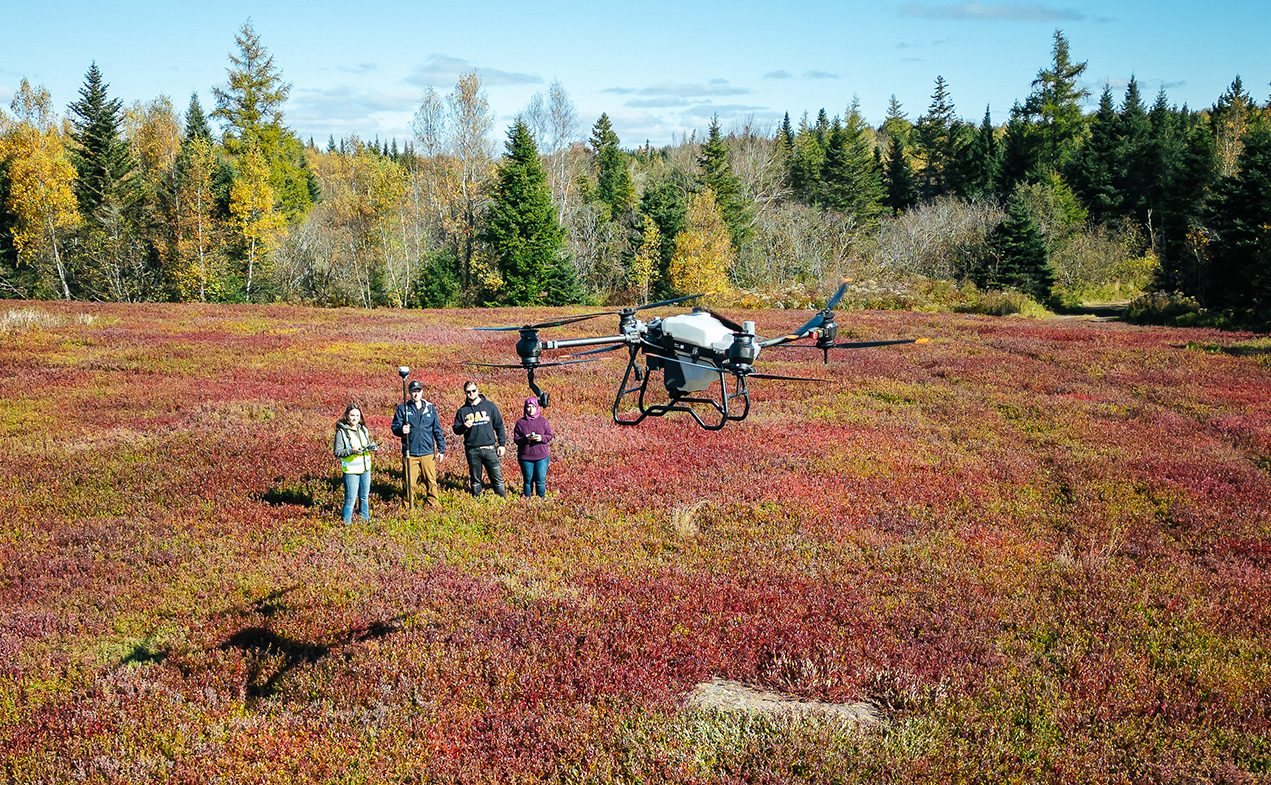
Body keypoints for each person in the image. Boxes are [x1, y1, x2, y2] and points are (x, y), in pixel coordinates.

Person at [391, 380, 446, 510]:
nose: (416, 394)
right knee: (409, 483)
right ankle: (408, 506)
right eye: (413, 391)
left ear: (422, 391)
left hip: (428, 452)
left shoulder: (430, 408)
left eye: (418, 391)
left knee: (431, 481)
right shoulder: (403, 408)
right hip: (411, 453)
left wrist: (441, 449)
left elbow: (437, 429)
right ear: (409, 393)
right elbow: (395, 427)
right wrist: (401, 430)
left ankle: (433, 505)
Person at [452, 381, 507, 497]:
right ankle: (477, 502)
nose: (471, 393)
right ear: (465, 393)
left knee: (497, 479)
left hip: (490, 448)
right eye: (468, 392)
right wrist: (464, 426)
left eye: (473, 391)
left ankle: (502, 501)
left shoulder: (490, 406)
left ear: (477, 390)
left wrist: (502, 444)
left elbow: (499, 426)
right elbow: (456, 430)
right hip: (472, 450)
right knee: (475, 480)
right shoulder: (462, 411)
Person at [333, 404, 379, 524]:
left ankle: (365, 520)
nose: (355, 418)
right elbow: (337, 452)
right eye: (352, 415)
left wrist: (371, 447)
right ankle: (346, 523)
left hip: (365, 468)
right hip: (351, 471)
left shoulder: (363, 429)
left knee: (364, 497)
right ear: (347, 416)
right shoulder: (341, 432)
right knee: (350, 499)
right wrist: (352, 451)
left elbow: (366, 444)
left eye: (357, 415)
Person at [512, 396, 553, 498]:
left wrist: (541, 438)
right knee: (527, 481)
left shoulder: (543, 421)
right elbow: (516, 439)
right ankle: (527, 500)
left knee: (540, 481)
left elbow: (549, 436)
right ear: (525, 408)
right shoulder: (520, 423)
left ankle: (540, 500)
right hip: (525, 457)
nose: (530, 409)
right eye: (528, 407)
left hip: (542, 456)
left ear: (537, 407)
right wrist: (525, 439)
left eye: (533, 407)